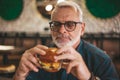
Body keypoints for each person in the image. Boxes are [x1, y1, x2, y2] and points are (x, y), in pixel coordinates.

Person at [13, 1, 119, 80]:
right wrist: (19, 75)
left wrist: (88, 77)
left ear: (82, 29)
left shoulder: (101, 60)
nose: (62, 30)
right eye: (56, 24)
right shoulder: (38, 58)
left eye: (70, 24)